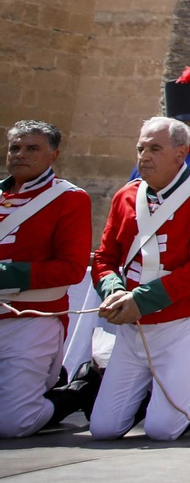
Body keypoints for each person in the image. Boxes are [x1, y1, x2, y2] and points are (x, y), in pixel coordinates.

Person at [89, 117, 190, 441]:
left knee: (162, 430)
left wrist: (142, 299)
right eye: (140, 148)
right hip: (133, 324)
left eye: (154, 148)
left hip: (185, 319)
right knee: (104, 428)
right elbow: (104, 258)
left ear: (181, 154)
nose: (144, 156)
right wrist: (113, 290)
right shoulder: (125, 196)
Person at [0, 120, 93, 437]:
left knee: (12, 424)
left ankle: (74, 393)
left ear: (53, 154)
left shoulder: (69, 199)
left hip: (30, 320)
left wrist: (5, 276)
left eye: (32, 148)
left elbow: (71, 268)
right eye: (15, 147)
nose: (20, 154)